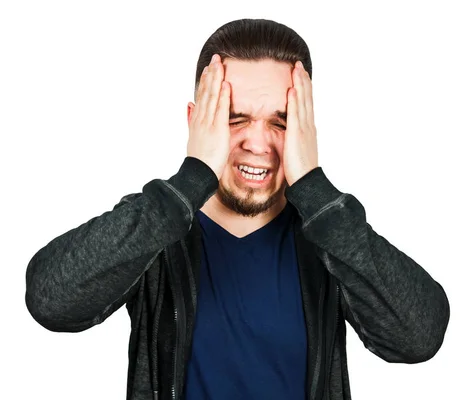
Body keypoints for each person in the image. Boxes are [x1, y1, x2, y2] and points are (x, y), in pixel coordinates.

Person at [25, 18, 450, 400]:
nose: (258, 143)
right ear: (197, 122)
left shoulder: (330, 235)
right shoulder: (154, 225)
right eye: (234, 118)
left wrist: (317, 192)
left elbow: (419, 337)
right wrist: (191, 179)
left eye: (281, 122)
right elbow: (51, 299)